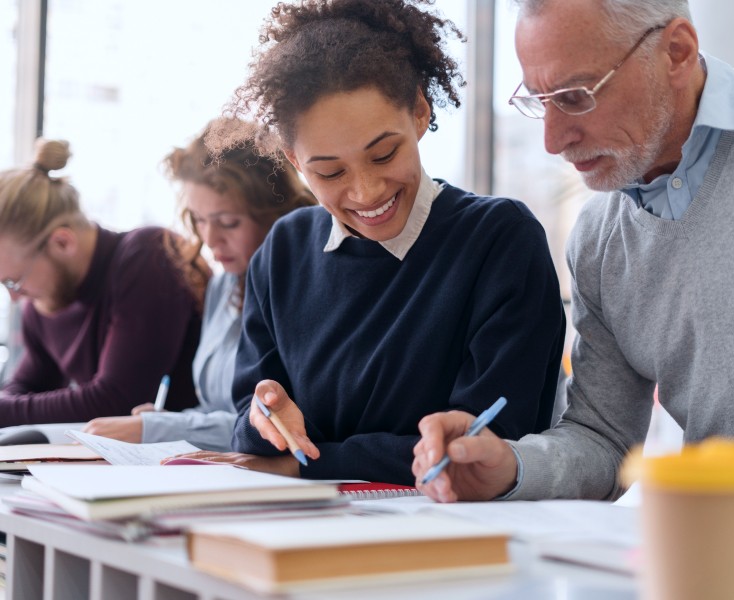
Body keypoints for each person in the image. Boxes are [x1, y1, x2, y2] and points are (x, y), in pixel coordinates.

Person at [413, 0, 734, 502]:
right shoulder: (598, 243)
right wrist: (511, 467)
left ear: (677, 52)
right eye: (540, 101)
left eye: (575, 96)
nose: (553, 141)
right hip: (727, 549)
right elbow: (605, 438)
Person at [179, 0, 565, 485]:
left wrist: (305, 465)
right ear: (296, 164)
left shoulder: (499, 240)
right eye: (330, 171)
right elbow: (249, 422)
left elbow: (482, 446)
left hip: (455, 533)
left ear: (421, 113)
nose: (366, 192)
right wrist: (266, 418)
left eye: (384, 154)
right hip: (298, 525)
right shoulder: (284, 251)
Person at [83, 119, 315, 450]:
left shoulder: (304, 290)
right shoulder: (222, 288)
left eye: (228, 223)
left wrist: (162, 427)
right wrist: (167, 422)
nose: (210, 239)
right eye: (199, 220)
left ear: (274, 215)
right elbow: (218, 411)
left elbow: (280, 423)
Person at [0, 139, 208, 425]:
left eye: (13, 281)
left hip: (204, 455)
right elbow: (22, 391)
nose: (14, 297)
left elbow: (117, 400)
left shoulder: (149, 256)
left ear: (62, 243)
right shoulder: (43, 301)